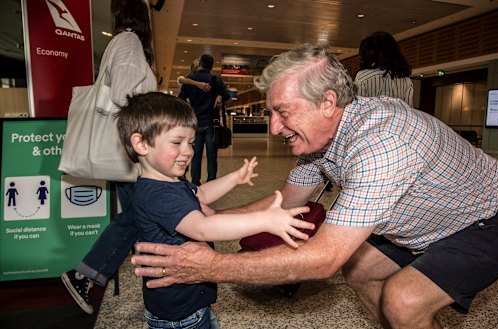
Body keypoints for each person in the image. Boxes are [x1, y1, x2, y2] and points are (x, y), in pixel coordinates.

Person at [131, 43, 498, 329]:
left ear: (328, 102)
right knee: (359, 271)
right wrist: (207, 218)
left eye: (282, 111)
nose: (274, 127)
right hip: (418, 221)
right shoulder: (320, 141)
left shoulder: (382, 142)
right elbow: (285, 200)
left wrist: (211, 266)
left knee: (404, 300)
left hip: (492, 218)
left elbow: (322, 258)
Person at [115, 92, 313, 329]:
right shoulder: (157, 194)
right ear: (141, 144)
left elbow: (201, 195)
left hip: (190, 304)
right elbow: (203, 227)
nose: (188, 151)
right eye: (177, 142)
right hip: (180, 317)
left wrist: (234, 178)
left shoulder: (169, 182)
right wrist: (264, 221)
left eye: (190, 142)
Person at [61, 0, 157, 315]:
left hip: (121, 146)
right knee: (140, 214)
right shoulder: (130, 41)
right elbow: (123, 95)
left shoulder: (121, 40)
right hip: (126, 147)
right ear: (142, 18)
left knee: (136, 215)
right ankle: (86, 272)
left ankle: (88, 273)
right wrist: (156, 110)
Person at [179, 54, 229, 186]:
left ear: (199, 63)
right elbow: (227, 95)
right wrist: (219, 95)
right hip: (211, 123)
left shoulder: (189, 79)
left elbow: (181, 100)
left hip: (195, 123)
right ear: (212, 66)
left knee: (196, 156)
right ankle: (211, 182)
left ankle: (195, 182)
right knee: (212, 155)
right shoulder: (214, 79)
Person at [354, 31, 414, 107]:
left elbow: (359, 109)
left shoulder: (363, 77)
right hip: (399, 118)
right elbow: (409, 111)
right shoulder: (406, 80)